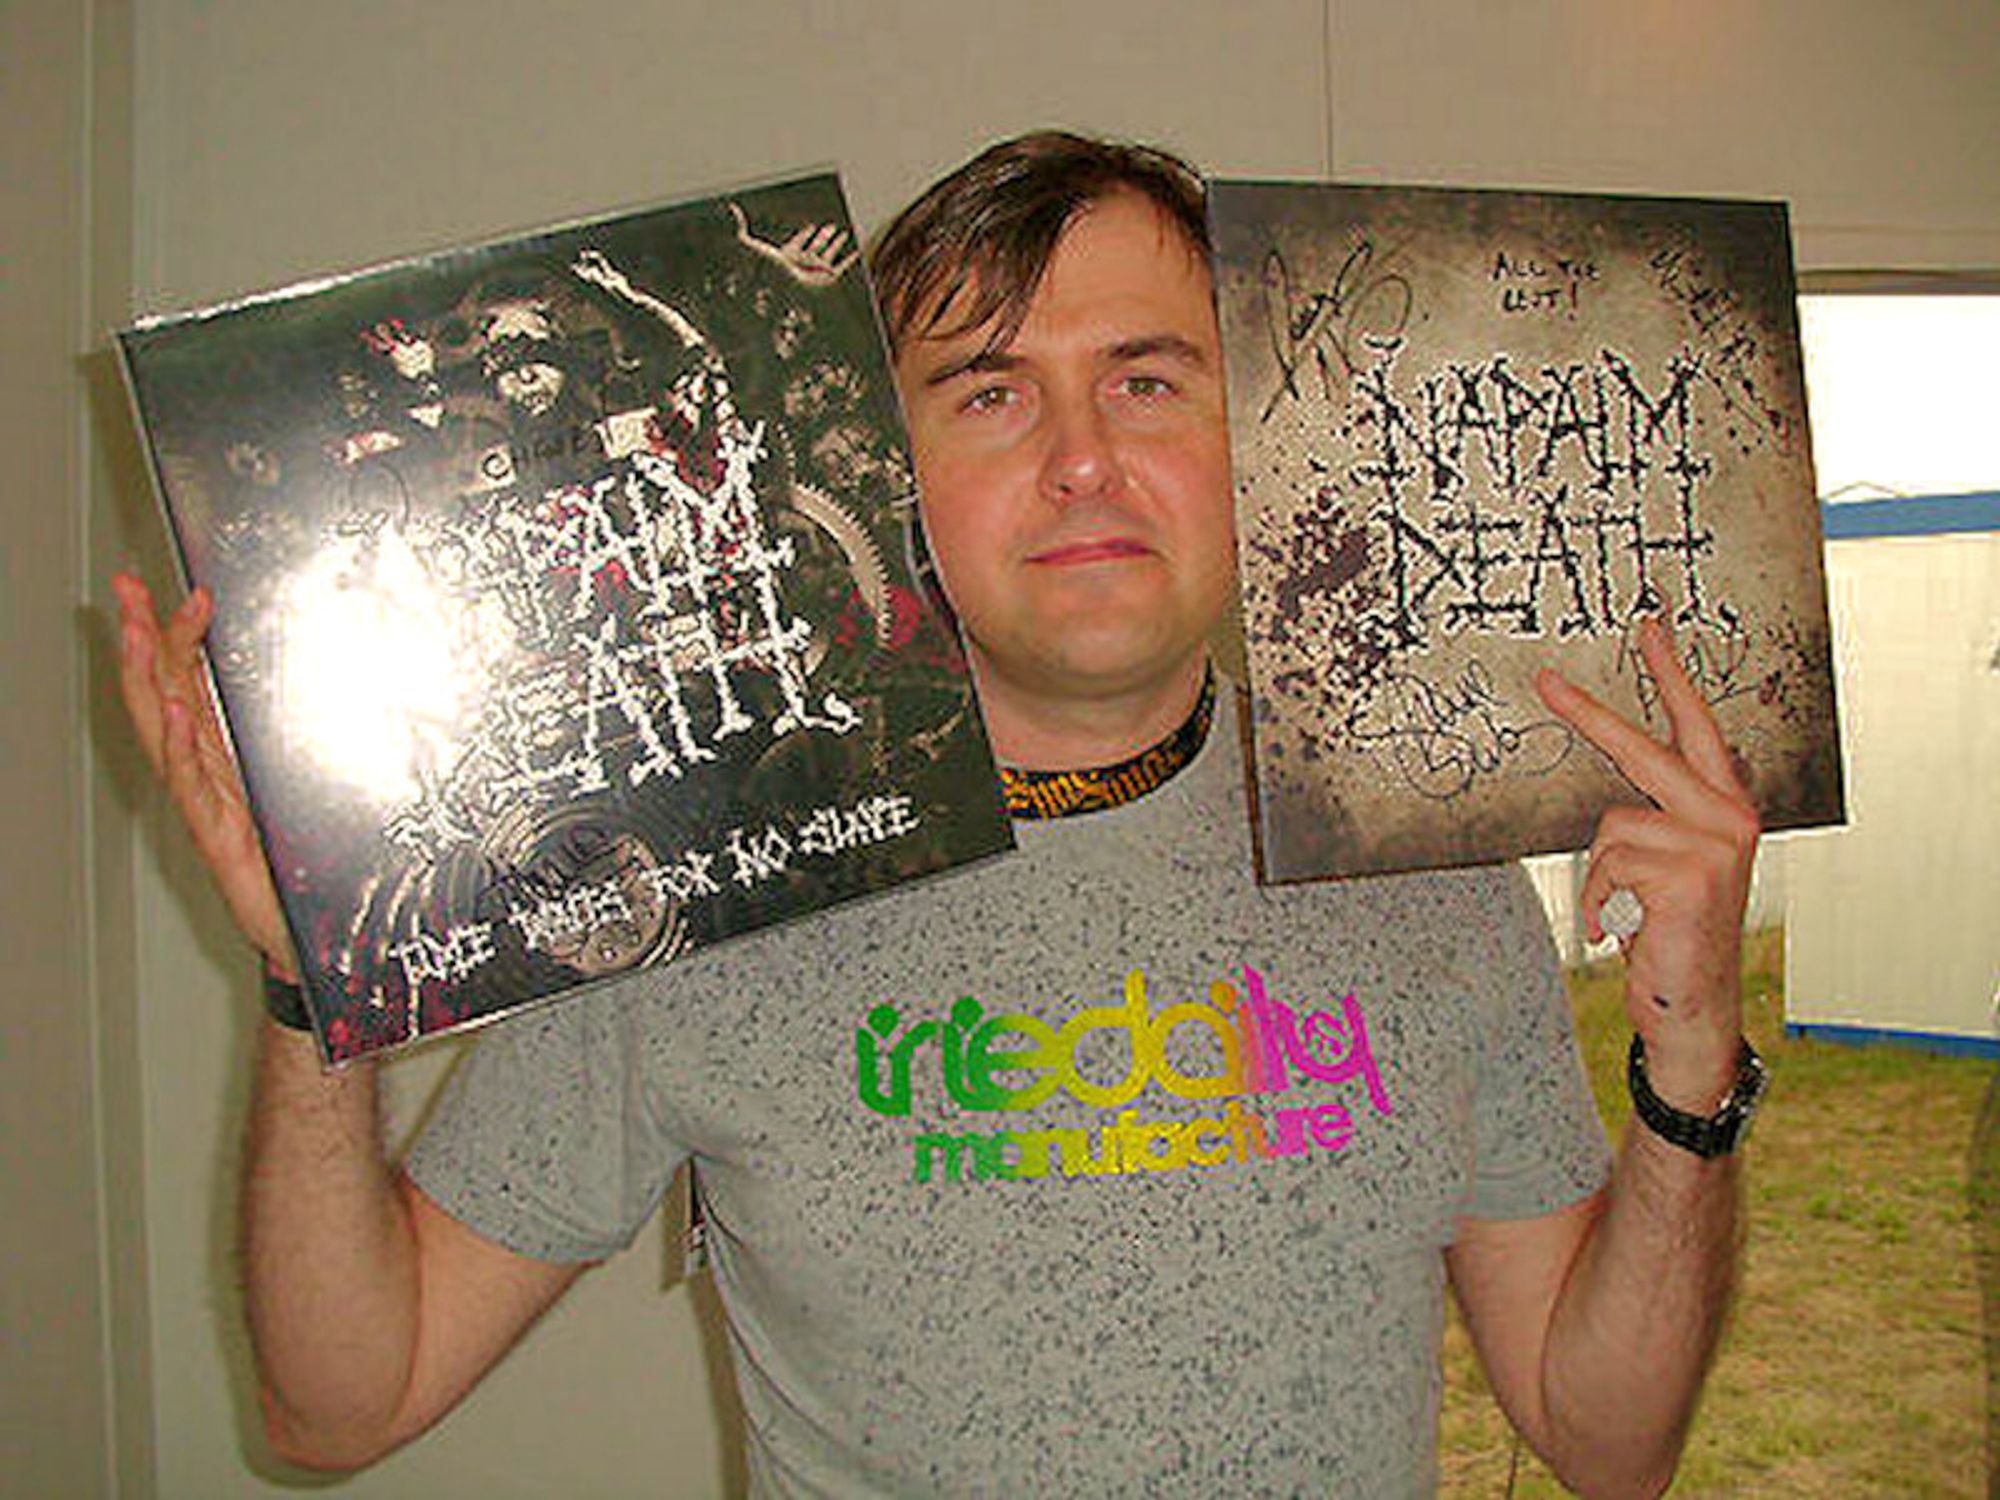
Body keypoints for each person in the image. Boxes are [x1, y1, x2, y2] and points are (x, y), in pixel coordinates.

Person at [114, 130, 1762, 1497]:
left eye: (1145, 379)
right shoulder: (721, 862)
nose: (1079, 461)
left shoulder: (1419, 860)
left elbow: (1606, 1444)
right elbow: (339, 1405)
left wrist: (1689, 1056)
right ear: (889, 468)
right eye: (987, 391)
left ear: (1250, 435)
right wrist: (303, 982)